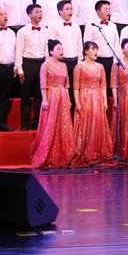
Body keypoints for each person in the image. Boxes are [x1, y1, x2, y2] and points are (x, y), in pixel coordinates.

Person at [30, 39, 75, 168]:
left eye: (62, 48)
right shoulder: (45, 65)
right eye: (58, 49)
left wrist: (68, 99)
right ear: (51, 51)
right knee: (51, 123)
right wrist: (45, 99)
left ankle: (64, 153)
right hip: (51, 96)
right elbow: (43, 84)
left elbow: (67, 85)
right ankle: (48, 153)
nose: (61, 51)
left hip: (63, 96)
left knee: (63, 124)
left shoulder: (64, 65)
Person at [72, 41, 113, 165]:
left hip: (97, 98)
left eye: (96, 49)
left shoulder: (100, 67)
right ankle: (84, 152)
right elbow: (76, 86)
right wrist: (77, 102)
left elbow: (103, 85)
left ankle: (97, 152)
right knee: (85, 124)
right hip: (84, 97)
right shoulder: (79, 67)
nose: (95, 51)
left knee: (97, 123)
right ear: (86, 51)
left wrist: (105, 101)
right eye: (93, 49)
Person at [47, 0, 82, 114]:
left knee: (74, 90)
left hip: (74, 62)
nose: (70, 11)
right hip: (61, 63)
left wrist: (79, 62)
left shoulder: (76, 26)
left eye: (71, 9)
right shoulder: (53, 26)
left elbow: (79, 46)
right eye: (67, 9)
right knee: (62, 91)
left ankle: (72, 118)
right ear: (60, 11)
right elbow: (50, 45)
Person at [15, 4, 47, 131]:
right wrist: (20, 69)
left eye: (41, 11)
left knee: (39, 96)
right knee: (25, 96)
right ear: (30, 15)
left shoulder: (46, 31)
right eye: (37, 12)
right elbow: (18, 51)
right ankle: (24, 123)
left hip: (41, 64)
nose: (40, 14)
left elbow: (46, 51)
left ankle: (37, 123)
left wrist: (47, 67)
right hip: (27, 64)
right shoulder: (22, 31)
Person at [83, 0, 122, 95]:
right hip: (96, 60)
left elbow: (116, 43)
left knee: (109, 87)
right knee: (98, 86)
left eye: (109, 9)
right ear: (98, 11)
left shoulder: (113, 25)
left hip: (110, 61)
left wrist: (116, 61)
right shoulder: (91, 24)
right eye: (105, 9)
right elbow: (87, 43)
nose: (108, 12)